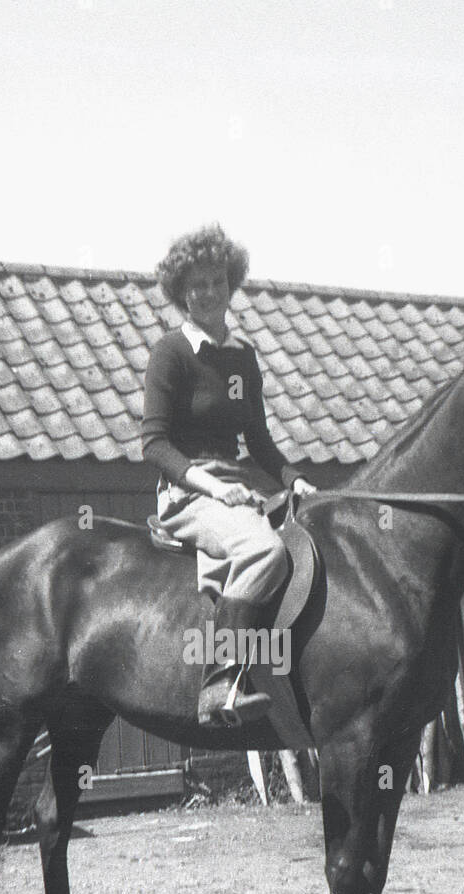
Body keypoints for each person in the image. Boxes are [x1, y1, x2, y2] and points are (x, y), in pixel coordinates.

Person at [142, 224, 316, 726]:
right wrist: (213, 485)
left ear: (230, 283)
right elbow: (153, 443)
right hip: (188, 494)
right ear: (181, 293)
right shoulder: (170, 352)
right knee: (263, 550)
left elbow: (257, 440)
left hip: (237, 489)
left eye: (217, 280)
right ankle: (220, 683)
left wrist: (292, 479)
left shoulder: (242, 358)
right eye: (196, 284)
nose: (209, 292)